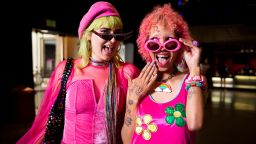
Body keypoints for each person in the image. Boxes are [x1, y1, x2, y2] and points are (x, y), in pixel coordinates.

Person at [17, 1, 139, 144]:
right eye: (105, 33)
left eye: (117, 35)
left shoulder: (127, 72)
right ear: (88, 35)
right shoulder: (66, 70)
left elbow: (144, 117)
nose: (112, 40)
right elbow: (44, 123)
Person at [121, 3, 207, 144]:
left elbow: (195, 124)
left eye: (170, 43)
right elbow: (126, 140)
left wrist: (194, 69)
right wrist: (133, 100)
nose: (162, 49)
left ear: (180, 47)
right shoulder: (136, 83)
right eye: (154, 43)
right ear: (145, 47)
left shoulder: (191, 81)